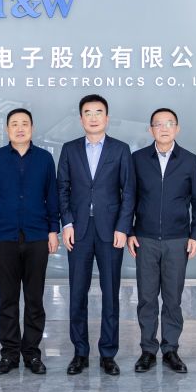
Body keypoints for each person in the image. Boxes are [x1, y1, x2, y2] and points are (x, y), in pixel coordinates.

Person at [57, 94, 135, 376]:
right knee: (77, 292)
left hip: (110, 231)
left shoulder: (120, 149)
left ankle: (108, 354)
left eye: (98, 112)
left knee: (110, 293)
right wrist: (67, 224)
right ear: (81, 119)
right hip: (78, 230)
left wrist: (123, 227)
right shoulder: (69, 149)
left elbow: (129, 192)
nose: (93, 117)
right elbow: (62, 189)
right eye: (87, 113)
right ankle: (80, 352)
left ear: (107, 118)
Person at [0, 108, 60, 375]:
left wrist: (53, 230)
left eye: (25, 123)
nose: (20, 128)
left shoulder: (45, 159)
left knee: (35, 299)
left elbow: (52, 197)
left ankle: (32, 354)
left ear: (32, 128)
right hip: (4, 237)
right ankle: (9, 354)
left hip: (38, 237)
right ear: (7, 129)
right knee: (8, 299)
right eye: (14, 124)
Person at [128, 108, 196, 374]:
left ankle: (170, 349)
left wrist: (195, 236)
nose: (164, 128)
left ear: (177, 128)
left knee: (172, 299)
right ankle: (148, 350)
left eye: (169, 123)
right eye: (158, 124)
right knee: (147, 298)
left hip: (177, 240)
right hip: (145, 239)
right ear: (151, 129)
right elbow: (129, 198)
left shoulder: (189, 160)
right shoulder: (138, 159)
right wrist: (130, 232)